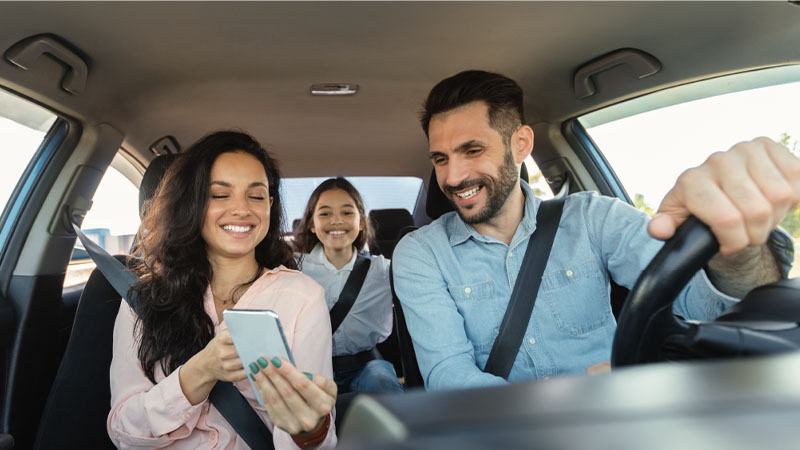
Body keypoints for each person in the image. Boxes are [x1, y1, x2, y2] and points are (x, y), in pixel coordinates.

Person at [391, 70, 799, 391]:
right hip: (501, 433)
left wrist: (732, 242)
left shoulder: (594, 218)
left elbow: (705, 310)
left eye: (472, 150)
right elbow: (449, 374)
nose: (454, 176)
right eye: (441, 158)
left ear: (520, 144)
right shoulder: (421, 252)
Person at [107, 131, 337, 449]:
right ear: (193, 202)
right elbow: (123, 432)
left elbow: (317, 443)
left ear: (270, 204)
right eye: (219, 195)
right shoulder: (144, 299)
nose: (241, 209)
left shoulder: (302, 297)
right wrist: (202, 370)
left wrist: (309, 429)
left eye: (256, 196)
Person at [294, 177, 404, 394]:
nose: (336, 221)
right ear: (312, 225)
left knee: (381, 381)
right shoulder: (293, 269)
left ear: (361, 222)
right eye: (325, 213)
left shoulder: (382, 270)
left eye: (347, 212)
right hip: (312, 368)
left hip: (367, 366)